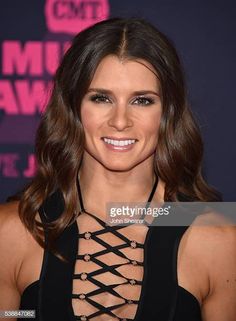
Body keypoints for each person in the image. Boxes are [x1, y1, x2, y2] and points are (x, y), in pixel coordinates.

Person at [0, 17, 235, 321]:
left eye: (142, 100)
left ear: (168, 111)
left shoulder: (220, 238)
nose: (120, 121)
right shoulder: (13, 232)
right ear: (72, 107)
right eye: (101, 98)